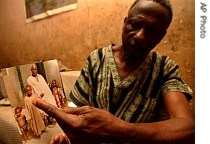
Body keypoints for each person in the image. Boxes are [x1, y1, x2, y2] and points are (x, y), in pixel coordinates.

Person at [32, 0, 195, 143]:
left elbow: (188, 128)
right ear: (125, 23)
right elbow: (78, 109)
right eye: (135, 24)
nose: (140, 36)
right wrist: (67, 135)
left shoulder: (164, 68)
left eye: (152, 31)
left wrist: (121, 130)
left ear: (161, 36)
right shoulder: (97, 59)